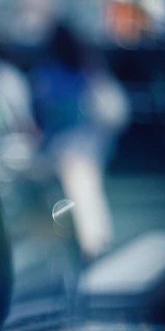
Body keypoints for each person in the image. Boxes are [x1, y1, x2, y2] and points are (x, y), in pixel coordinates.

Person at [30, 22, 130, 259]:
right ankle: (97, 240)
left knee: (81, 191)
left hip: (67, 145)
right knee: (87, 190)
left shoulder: (48, 74)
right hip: (90, 142)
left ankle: (93, 243)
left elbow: (43, 112)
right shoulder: (88, 68)